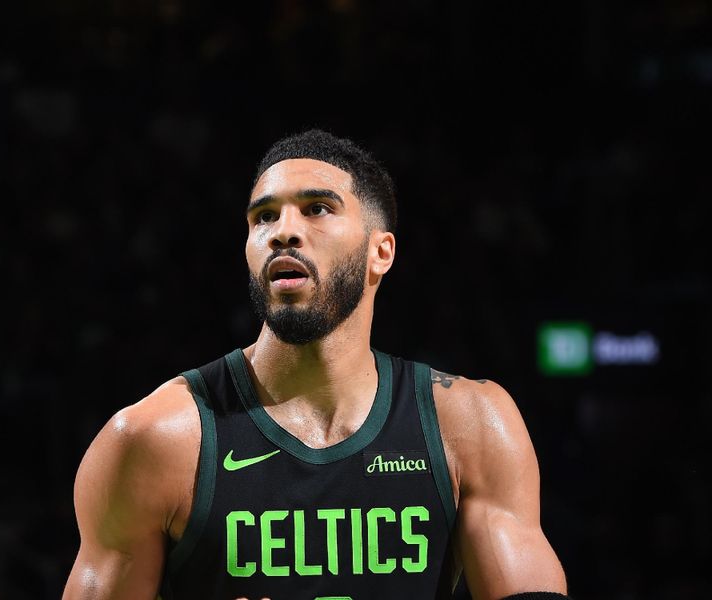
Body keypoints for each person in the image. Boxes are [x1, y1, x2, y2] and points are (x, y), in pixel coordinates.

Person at [62, 129, 570, 600]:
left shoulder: (470, 425)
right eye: (264, 217)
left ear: (381, 252)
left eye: (317, 209)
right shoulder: (154, 440)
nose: (284, 231)